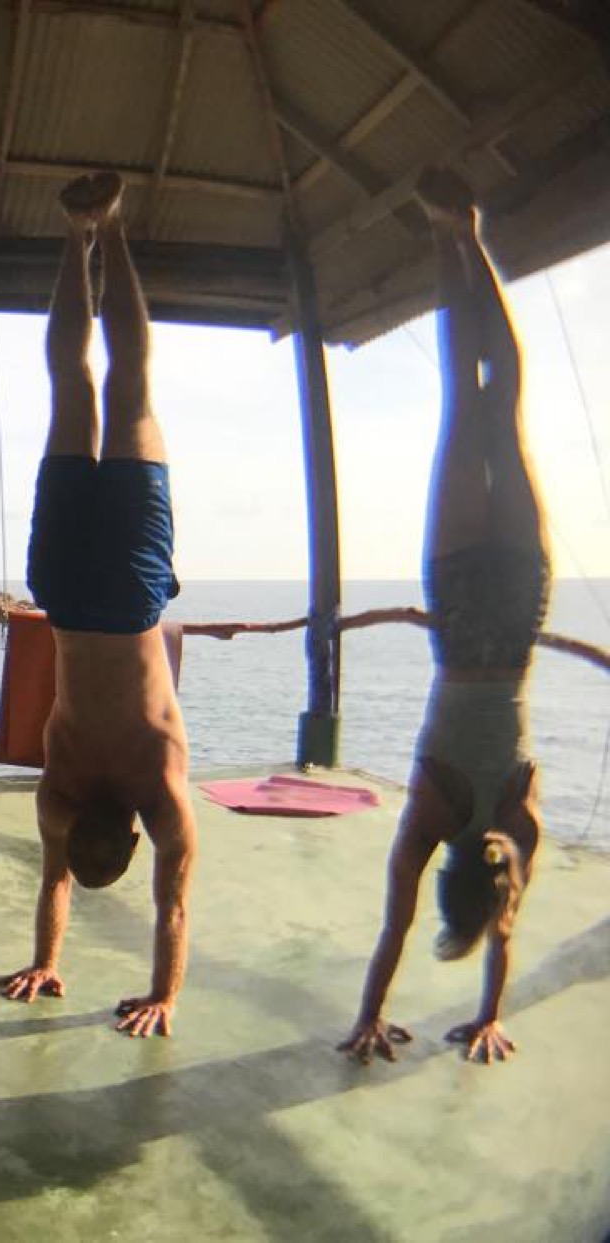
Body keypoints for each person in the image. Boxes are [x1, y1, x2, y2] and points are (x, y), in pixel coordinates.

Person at [338, 171, 550, 1068]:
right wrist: (369, 1014)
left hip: (515, 615)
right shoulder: (432, 816)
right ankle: (449, 237)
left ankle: (464, 236)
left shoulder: (516, 834)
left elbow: (504, 920)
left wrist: (491, 1010)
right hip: (464, 618)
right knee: (468, 404)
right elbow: (397, 927)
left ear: (492, 879)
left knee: (501, 406)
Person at [0, 174, 197, 1039]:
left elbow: (172, 906)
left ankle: (107, 228)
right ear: (82, 820)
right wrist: (44, 959)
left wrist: (164, 994)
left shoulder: (161, 786)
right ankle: (77, 234)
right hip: (68, 594)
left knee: (129, 389)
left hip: (129, 591)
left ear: (137, 833)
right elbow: (54, 880)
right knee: (73, 388)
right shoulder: (63, 791)